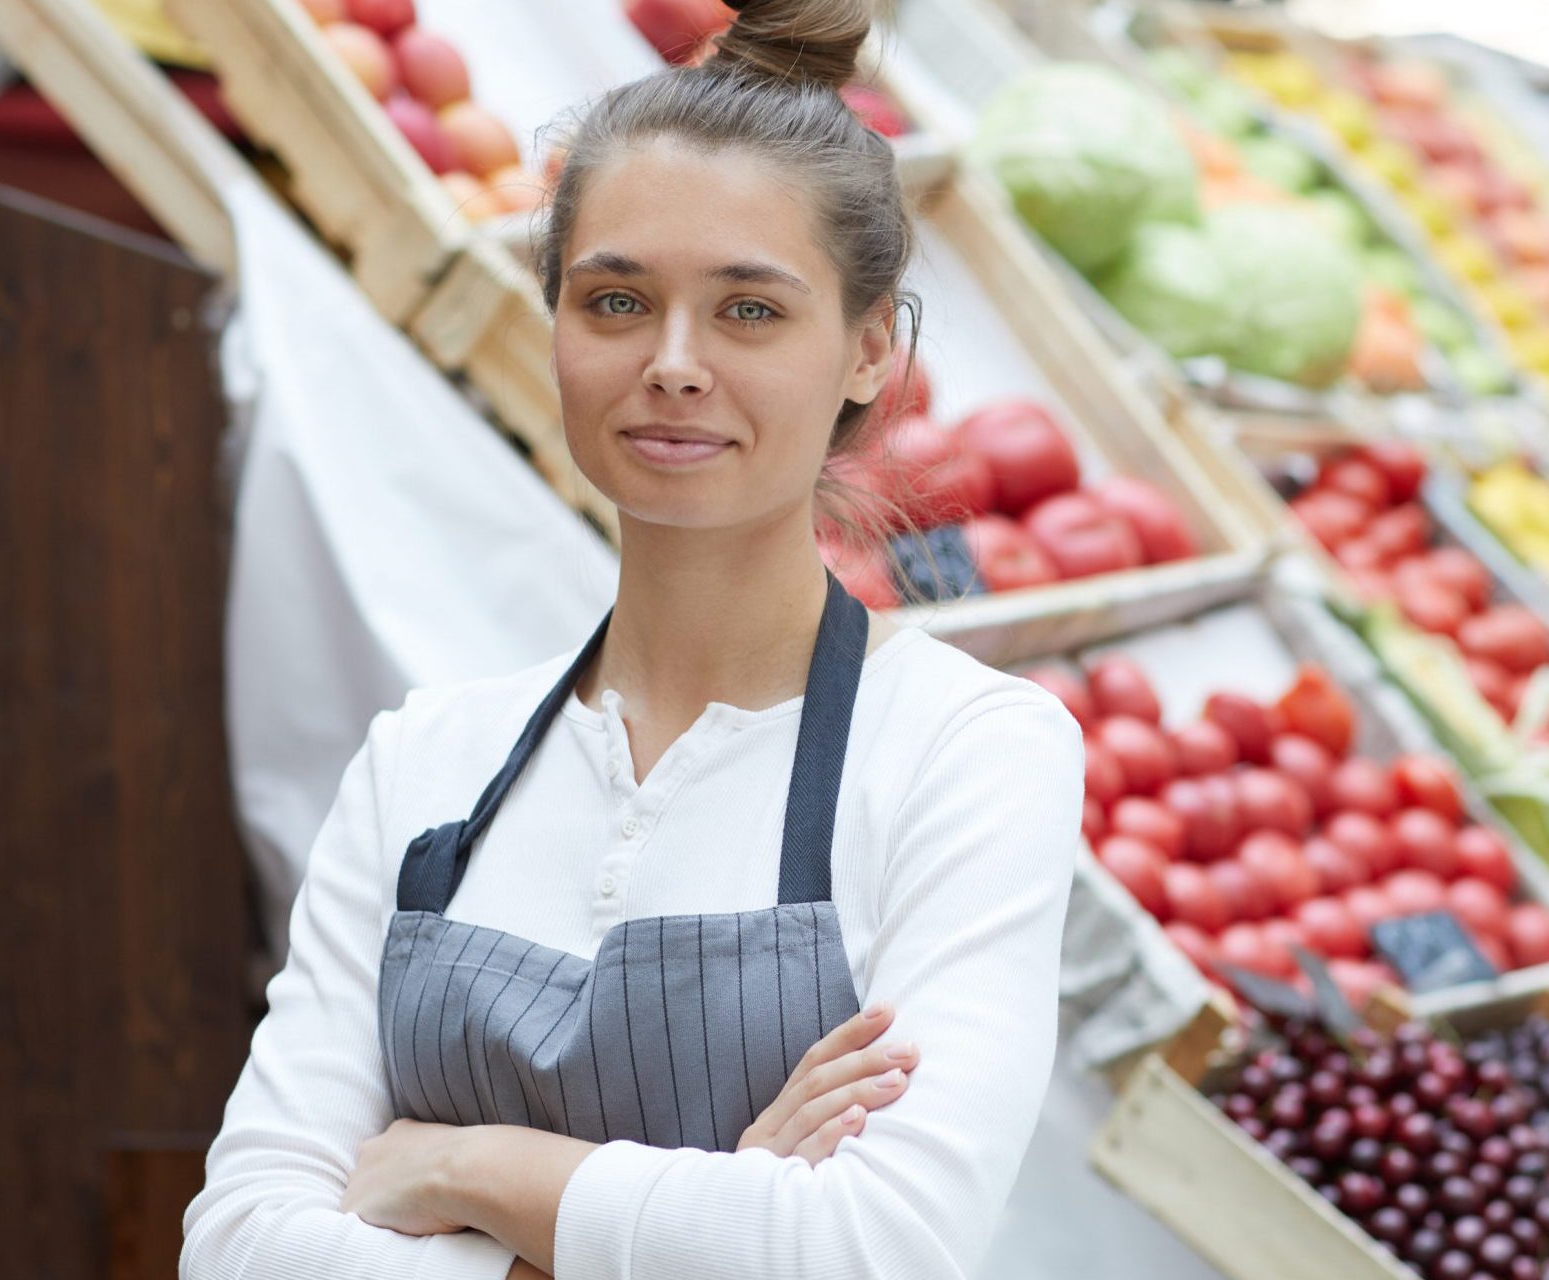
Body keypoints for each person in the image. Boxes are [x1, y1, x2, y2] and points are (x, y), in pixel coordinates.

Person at [179, 2, 1086, 1275]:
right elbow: (237, 1244)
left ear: (869, 348)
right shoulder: (426, 761)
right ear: (553, 316)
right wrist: (716, 1209)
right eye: (615, 299)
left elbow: (875, 1246)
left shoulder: (965, 752)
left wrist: (469, 1168)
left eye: (749, 311)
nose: (672, 362)